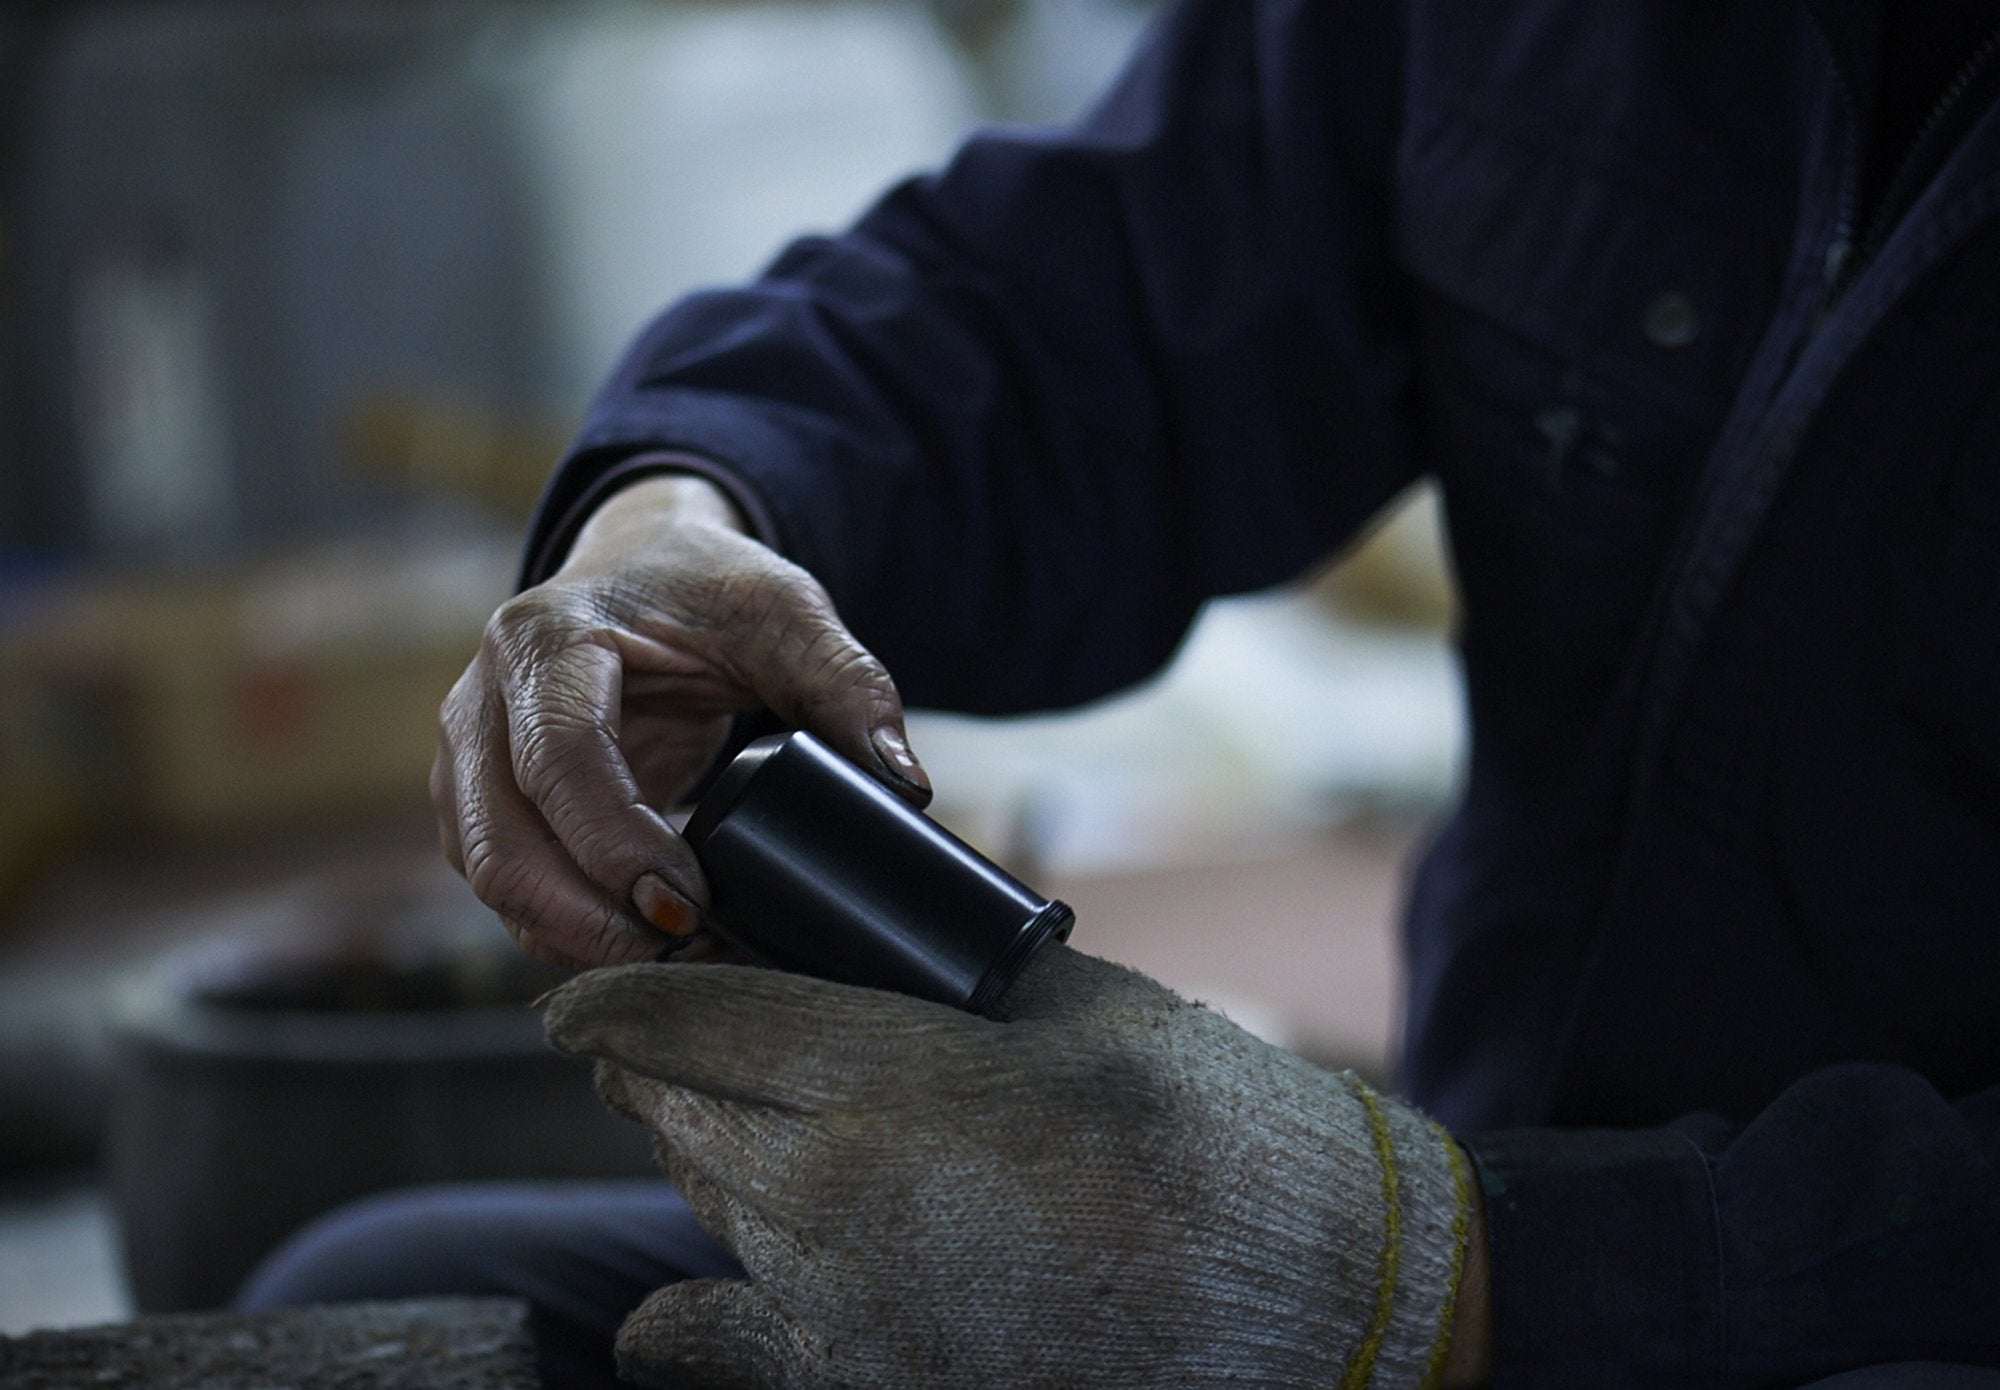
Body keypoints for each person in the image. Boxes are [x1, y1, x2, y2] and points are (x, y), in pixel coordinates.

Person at [242, 1, 2000, 1385]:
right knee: (377, 1306)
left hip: (1864, 1304)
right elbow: (1075, 307)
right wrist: (679, 511)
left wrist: (1452, 1276)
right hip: (1468, 1170)